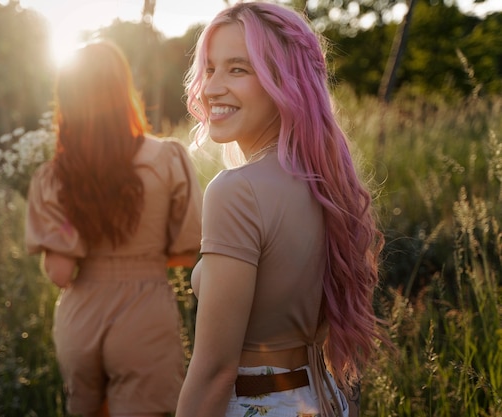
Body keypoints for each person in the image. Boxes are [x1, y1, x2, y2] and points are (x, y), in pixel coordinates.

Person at [176, 2, 390, 417]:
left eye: (238, 69)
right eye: (210, 68)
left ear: (284, 82)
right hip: (322, 400)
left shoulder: (236, 192)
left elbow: (214, 371)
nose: (210, 87)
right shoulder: (327, 182)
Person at [25, 40, 203, 417]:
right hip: (145, 314)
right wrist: (142, 259)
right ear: (124, 91)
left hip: (80, 319)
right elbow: (190, 251)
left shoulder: (54, 178)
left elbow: (59, 274)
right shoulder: (167, 159)